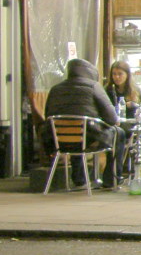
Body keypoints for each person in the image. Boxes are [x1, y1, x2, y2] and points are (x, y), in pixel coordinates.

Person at [42, 57, 123, 187]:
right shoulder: (94, 86)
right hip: (88, 137)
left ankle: (79, 179)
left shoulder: (55, 89)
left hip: (59, 140)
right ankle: (111, 179)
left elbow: (47, 115)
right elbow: (112, 119)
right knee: (119, 133)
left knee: (76, 132)